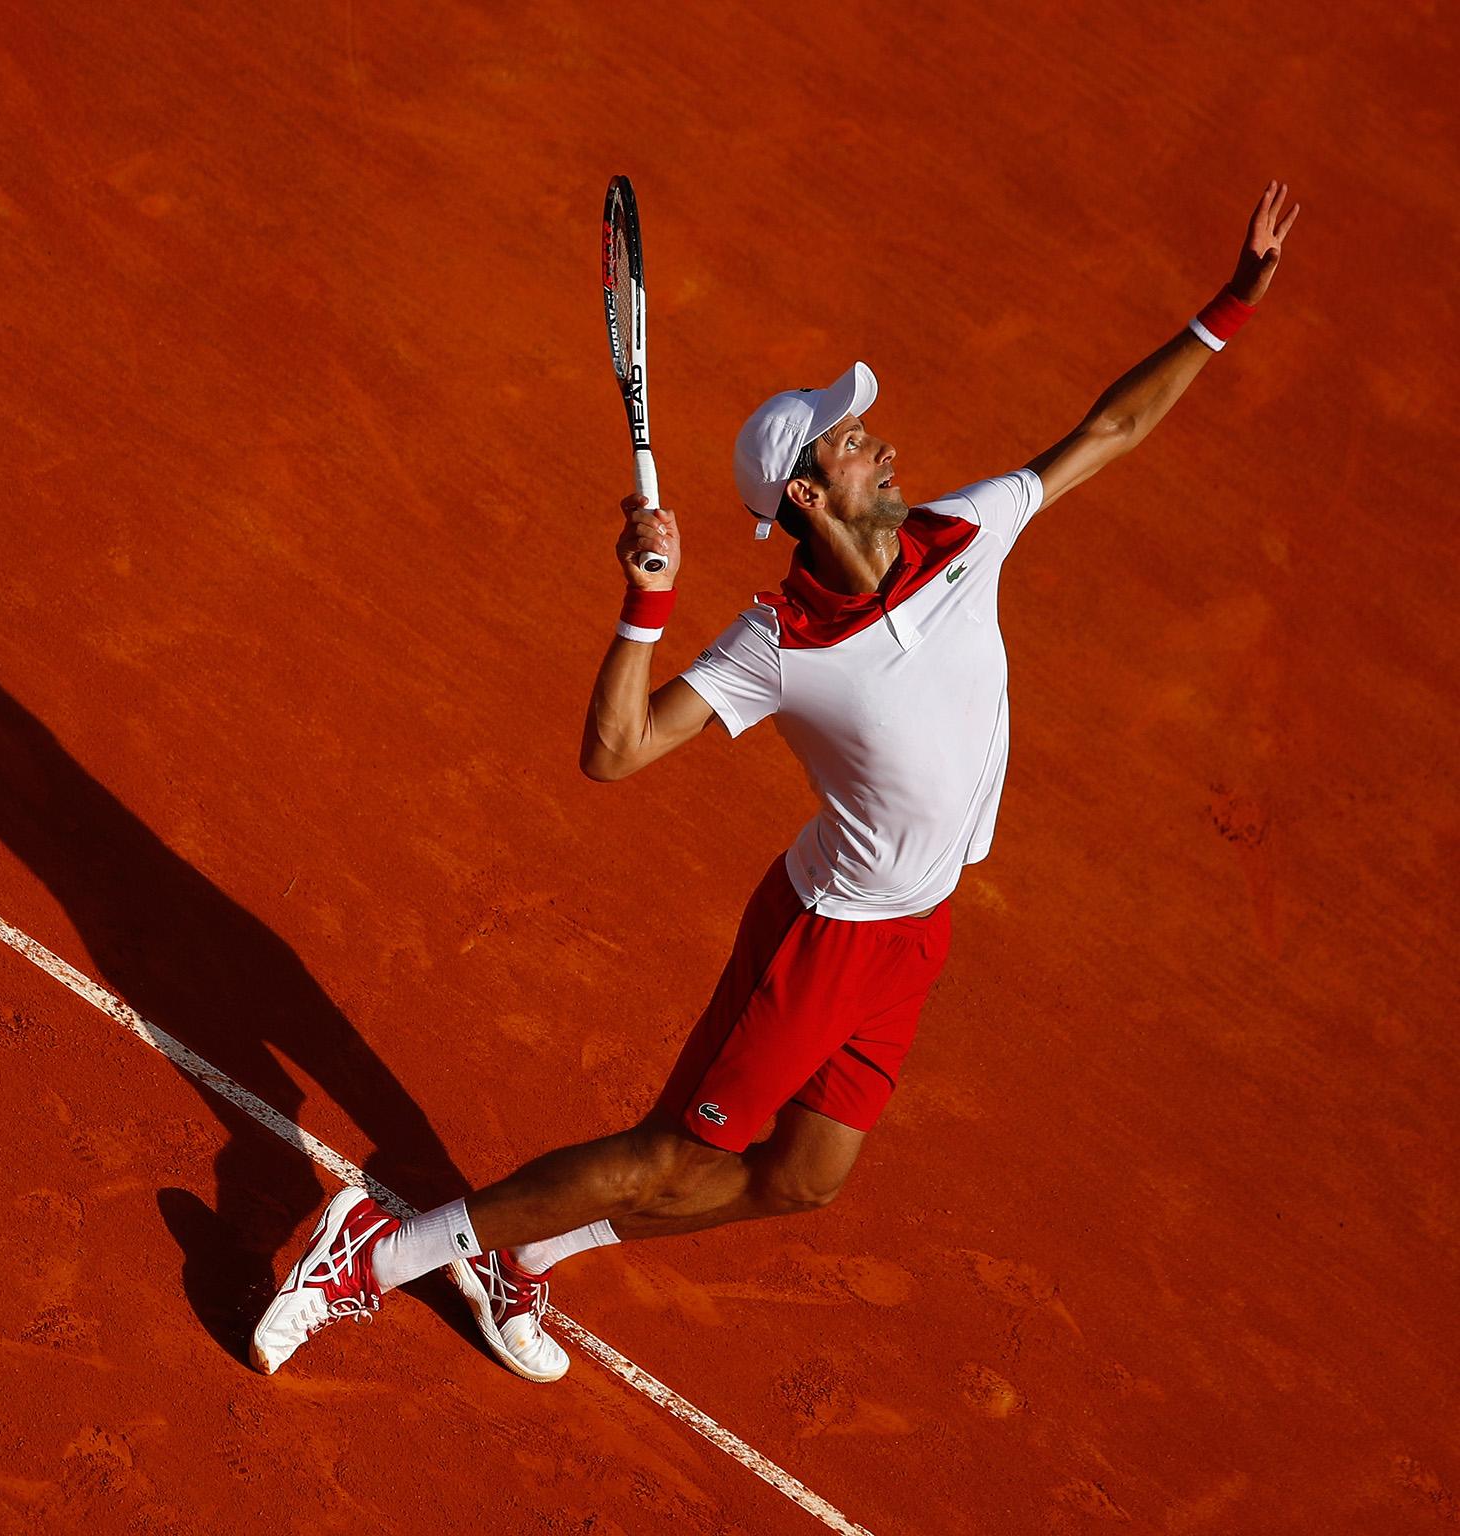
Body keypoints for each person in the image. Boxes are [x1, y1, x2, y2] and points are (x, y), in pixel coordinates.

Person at [251, 182, 1301, 1383]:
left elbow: (1106, 431)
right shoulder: (775, 642)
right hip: (825, 938)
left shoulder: (963, 532)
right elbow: (617, 751)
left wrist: (1228, 305)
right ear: (807, 494)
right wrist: (645, 606)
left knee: (803, 1180)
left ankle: (520, 1254)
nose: (882, 443)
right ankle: (376, 1249)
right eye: (853, 440)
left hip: (916, 931)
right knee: (667, 1161)